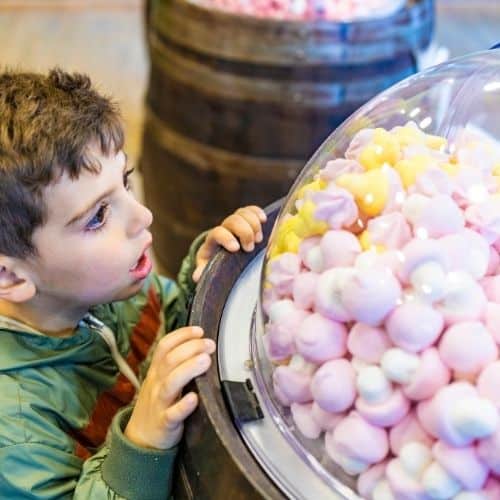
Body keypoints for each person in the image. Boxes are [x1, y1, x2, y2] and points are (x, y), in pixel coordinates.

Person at [0, 68, 267, 499]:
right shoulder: (13, 434)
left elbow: (166, 323)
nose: (143, 216)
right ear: (10, 275)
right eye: (98, 216)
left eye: (125, 182)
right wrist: (140, 445)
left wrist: (203, 284)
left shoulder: (112, 286)